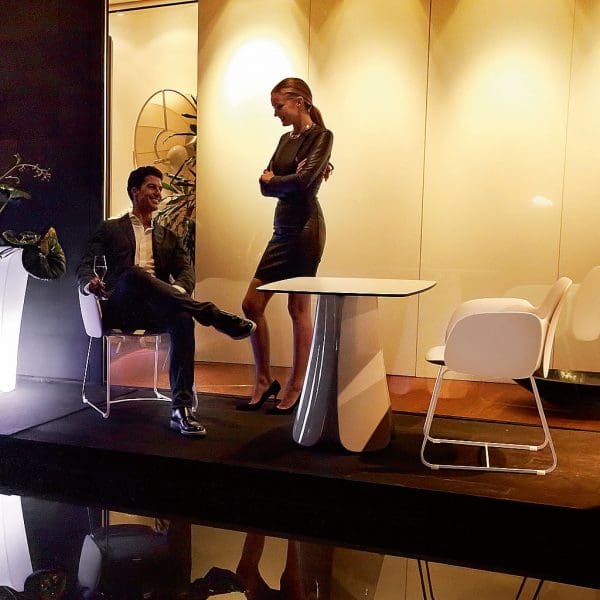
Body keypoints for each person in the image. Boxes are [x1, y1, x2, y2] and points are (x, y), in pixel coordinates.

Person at [77, 166, 256, 436]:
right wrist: (89, 282)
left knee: (183, 318)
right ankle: (212, 315)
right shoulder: (110, 228)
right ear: (134, 191)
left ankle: (181, 409)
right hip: (121, 307)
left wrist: (179, 289)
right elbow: (85, 265)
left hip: (154, 309)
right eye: (152, 187)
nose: (158, 193)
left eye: (160, 188)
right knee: (135, 274)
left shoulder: (168, 236)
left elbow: (186, 272)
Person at [239, 77, 334, 414]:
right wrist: (282, 181)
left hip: (306, 229)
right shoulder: (285, 139)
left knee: (298, 309)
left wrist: (277, 181)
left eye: (279, 106)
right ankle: (264, 380)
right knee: (251, 305)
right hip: (281, 229)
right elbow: (268, 185)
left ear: (299, 102)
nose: (276, 113)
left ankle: (297, 383)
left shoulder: (321, 137)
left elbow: (304, 183)